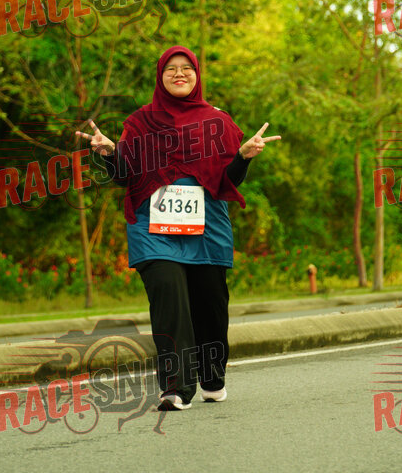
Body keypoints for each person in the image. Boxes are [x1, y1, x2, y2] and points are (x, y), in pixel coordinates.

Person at [76, 45, 280, 411]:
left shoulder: (217, 122)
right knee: (169, 301)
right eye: (171, 68)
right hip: (153, 230)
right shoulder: (141, 123)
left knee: (210, 308)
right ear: (160, 76)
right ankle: (176, 388)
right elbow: (124, 176)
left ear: (197, 75)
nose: (179, 74)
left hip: (206, 229)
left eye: (187, 67)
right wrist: (108, 153)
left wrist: (243, 157)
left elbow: (227, 181)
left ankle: (212, 376)